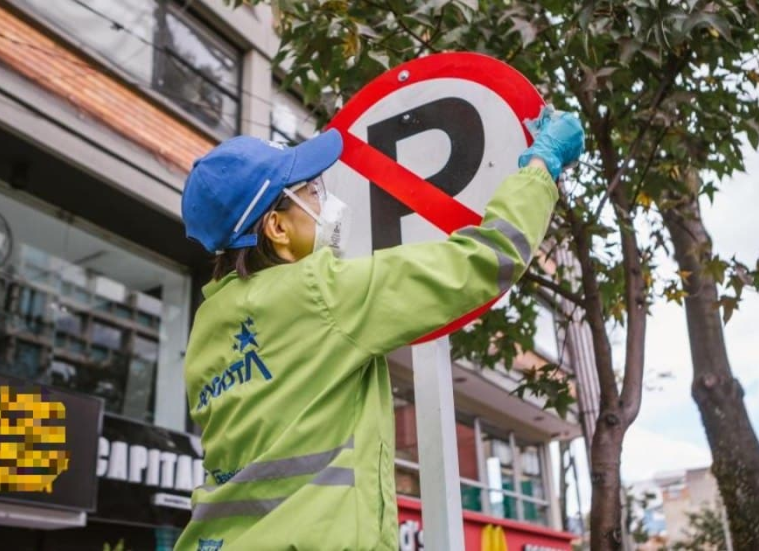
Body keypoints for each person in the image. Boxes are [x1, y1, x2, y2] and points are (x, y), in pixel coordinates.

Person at [174, 107, 584, 551]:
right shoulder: (320, 291)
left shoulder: (208, 323)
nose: (324, 201)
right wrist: (541, 167)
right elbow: (486, 261)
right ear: (276, 227)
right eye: (311, 192)